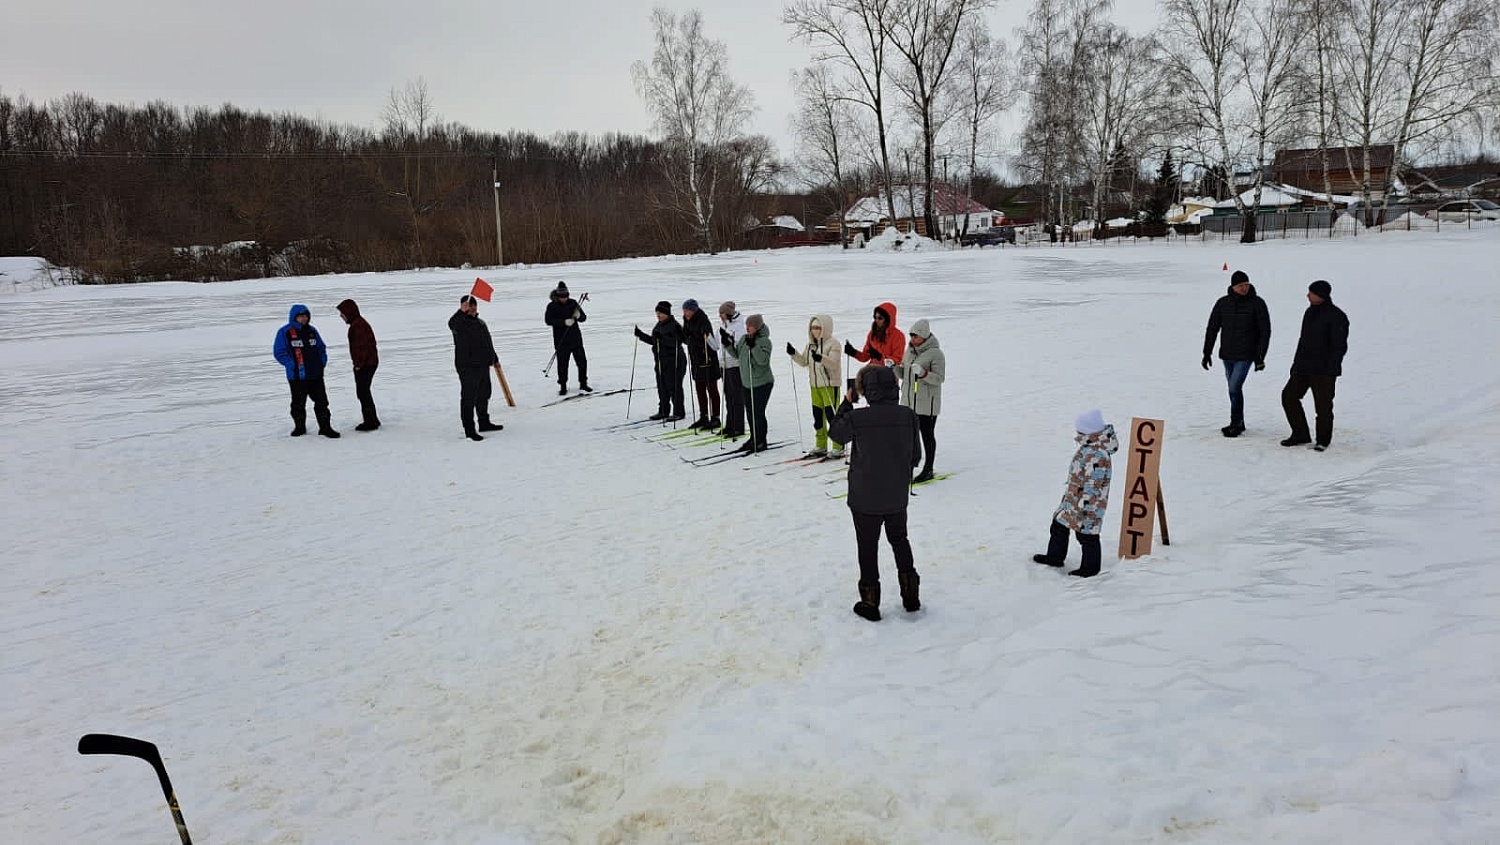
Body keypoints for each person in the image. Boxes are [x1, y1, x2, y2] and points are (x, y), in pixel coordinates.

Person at [828, 364, 922, 621]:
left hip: (864, 496)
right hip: (896, 495)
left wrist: (846, 403)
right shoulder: (908, 415)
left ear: (866, 390)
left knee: (867, 546)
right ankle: (911, 596)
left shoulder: (859, 418)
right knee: (900, 540)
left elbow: (836, 433)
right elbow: (916, 457)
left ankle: (870, 601)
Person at [1033, 410, 1118, 578]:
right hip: (1074, 499)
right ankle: (1055, 557)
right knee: (1059, 524)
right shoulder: (1091, 446)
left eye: (1080, 431)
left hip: (1088, 504)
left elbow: (1093, 485)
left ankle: (1090, 568)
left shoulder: (1098, 453)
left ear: (1089, 432)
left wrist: (1085, 507)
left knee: (1087, 535)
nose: (1077, 434)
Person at [1281, 279, 1349, 451]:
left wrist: (1330, 368)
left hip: (1324, 371)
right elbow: (1302, 341)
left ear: (1321, 296)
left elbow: (1339, 347)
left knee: (1323, 407)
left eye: (1311, 293)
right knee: (1288, 397)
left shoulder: (1337, 316)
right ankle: (1300, 433)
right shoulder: (1309, 313)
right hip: (1303, 368)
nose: (1307, 295)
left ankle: (1323, 440)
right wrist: (1296, 364)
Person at [1202, 269, 1271, 437]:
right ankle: (1239, 420)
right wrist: (1207, 352)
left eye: (1246, 284)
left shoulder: (1257, 303)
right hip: (1227, 354)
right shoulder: (1222, 303)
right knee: (1233, 389)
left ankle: (1236, 422)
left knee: (1234, 387)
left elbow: (1265, 331)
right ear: (1233, 286)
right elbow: (1213, 328)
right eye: (1240, 285)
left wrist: (1260, 356)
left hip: (1246, 355)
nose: (1244, 288)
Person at [272, 304, 339, 438]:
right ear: (294, 317)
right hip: (297, 376)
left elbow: (321, 348)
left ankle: (325, 427)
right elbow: (279, 352)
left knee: (322, 402)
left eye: (306, 316)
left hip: (316, 375)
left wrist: (322, 362)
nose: (304, 319)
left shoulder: (312, 331)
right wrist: (291, 365)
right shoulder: (285, 332)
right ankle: (300, 427)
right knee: (298, 404)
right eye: (301, 316)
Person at [787, 314, 844, 459]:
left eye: (818, 327)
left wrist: (821, 358)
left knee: (832, 416)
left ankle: (838, 446)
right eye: (813, 328)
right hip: (815, 386)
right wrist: (794, 354)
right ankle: (821, 444)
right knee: (818, 416)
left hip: (830, 385)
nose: (815, 331)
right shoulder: (810, 345)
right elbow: (804, 362)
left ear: (825, 328)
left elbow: (833, 363)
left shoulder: (834, 344)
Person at [896, 318, 946, 482]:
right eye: (911, 336)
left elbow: (939, 378)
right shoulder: (909, 351)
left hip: (926, 404)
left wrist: (924, 374)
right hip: (909, 402)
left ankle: (928, 469)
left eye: (915, 336)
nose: (912, 339)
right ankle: (908, 467)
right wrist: (894, 369)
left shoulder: (936, 354)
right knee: (909, 437)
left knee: (927, 435)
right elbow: (905, 374)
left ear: (924, 336)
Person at [448, 294, 503, 441]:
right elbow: (452, 323)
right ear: (463, 307)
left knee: (484, 394)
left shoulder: (480, 322)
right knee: (469, 398)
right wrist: (461, 312)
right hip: (468, 366)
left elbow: (487, 343)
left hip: (483, 364)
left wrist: (494, 358)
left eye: (474, 305)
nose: (472, 308)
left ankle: (484, 422)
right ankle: (469, 430)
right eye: (469, 306)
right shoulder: (460, 324)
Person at [727, 314, 774, 452]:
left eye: (751, 326)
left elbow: (763, 361)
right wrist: (727, 344)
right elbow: (737, 355)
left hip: (762, 383)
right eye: (747, 325)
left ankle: (761, 441)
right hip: (747, 382)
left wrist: (753, 346)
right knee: (750, 412)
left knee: (758, 413)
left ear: (758, 327)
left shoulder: (765, 341)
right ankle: (754, 438)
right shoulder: (744, 339)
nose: (747, 328)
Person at [634, 300, 687, 421]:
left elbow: (677, 342)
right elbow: (655, 341)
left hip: (674, 361)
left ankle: (679, 412)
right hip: (660, 361)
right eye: (657, 312)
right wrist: (640, 335)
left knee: (674, 387)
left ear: (667, 313)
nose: (658, 315)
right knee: (662, 387)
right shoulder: (659, 325)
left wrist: (661, 339)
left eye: (660, 313)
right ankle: (663, 411)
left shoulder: (674, 325)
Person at [336, 299, 380, 432]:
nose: (341, 316)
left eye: (342, 313)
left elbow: (362, 348)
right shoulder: (357, 324)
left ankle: (370, 421)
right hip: (369, 363)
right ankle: (372, 419)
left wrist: (358, 365)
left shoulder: (358, 326)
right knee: (364, 392)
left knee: (363, 392)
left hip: (366, 364)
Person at [681, 298, 722, 429]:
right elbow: (687, 339)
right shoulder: (686, 321)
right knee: (699, 389)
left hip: (708, 361)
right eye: (684, 310)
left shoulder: (702, 320)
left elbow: (713, 344)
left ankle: (715, 418)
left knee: (712, 390)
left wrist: (701, 336)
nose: (686, 313)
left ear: (694, 310)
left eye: (688, 310)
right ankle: (703, 416)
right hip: (696, 361)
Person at [544, 281, 590, 396]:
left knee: (582, 362)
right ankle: (563, 386)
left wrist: (579, 316)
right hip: (561, 341)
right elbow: (548, 320)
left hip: (576, 339)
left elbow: (583, 318)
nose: (564, 299)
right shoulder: (552, 306)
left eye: (566, 296)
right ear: (557, 296)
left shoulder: (573, 303)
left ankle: (583, 383)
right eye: (562, 297)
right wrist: (563, 322)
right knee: (563, 364)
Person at [843, 302, 906, 373]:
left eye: (880, 318)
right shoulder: (872, 334)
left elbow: (897, 361)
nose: (877, 320)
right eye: (875, 317)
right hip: (872, 373)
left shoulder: (898, 336)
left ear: (888, 319)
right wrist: (853, 352)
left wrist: (880, 357)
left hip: (888, 376)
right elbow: (865, 357)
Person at [717, 302, 748, 438]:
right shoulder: (724, 325)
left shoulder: (739, 326)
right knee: (728, 396)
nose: (720, 316)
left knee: (736, 396)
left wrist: (728, 340)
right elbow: (717, 344)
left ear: (728, 313)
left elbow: (740, 345)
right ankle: (730, 425)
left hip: (735, 364)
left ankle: (738, 426)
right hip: (724, 364)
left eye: (722, 313)